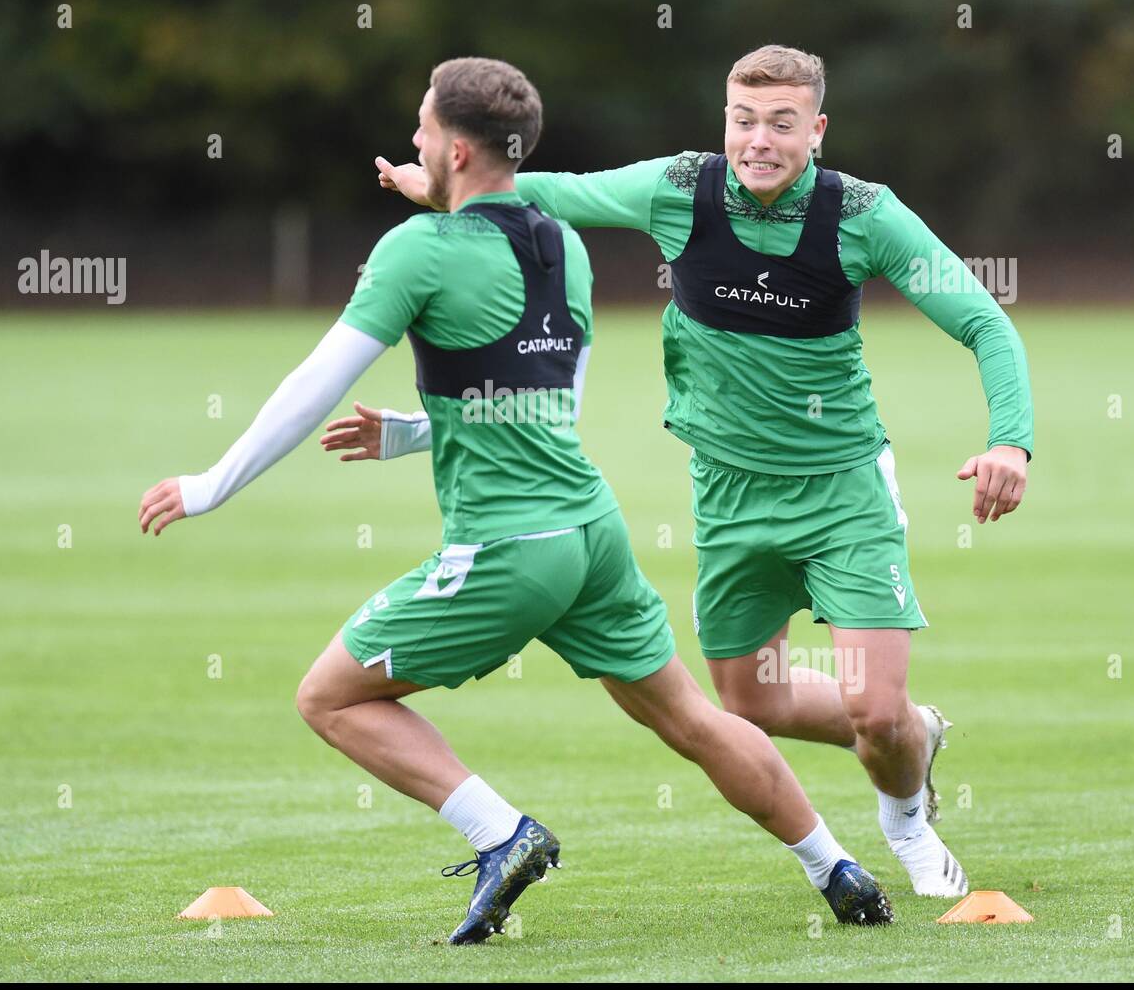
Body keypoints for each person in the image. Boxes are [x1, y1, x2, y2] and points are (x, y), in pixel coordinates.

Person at [139, 56, 894, 943]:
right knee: (690, 718)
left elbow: (314, 384)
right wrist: (416, 434)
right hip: (591, 532)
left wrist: (209, 485)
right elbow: (545, 403)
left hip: (507, 546)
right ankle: (834, 865)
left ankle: (502, 835)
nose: (413, 141)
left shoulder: (415, 251)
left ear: (455, 150)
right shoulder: (559, 245)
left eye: (423, 127)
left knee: (329, 698)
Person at [373, 44, 1035, 899]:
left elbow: (987, 323)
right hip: (726, 494)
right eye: (743, 120)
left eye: (782, 124)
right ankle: (916, 731)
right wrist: (445, 191)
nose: (758, 141)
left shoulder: (868, 216)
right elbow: (552, 191)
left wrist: (1009, 442)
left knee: (872, 710)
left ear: (818, 131)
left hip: (844, 491)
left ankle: (905, 820)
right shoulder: (680, 188)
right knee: (750, 706)